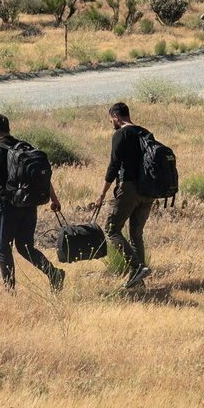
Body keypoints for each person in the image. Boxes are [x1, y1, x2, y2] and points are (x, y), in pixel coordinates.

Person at [0, 114, 65, 292]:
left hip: (8, 205)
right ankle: (54, 274)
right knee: (25, 246)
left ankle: (9, 291)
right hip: (29, 204)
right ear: (9, 129)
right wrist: (54, 199)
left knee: (3, 249)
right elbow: (42, 178)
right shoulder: (25, 147)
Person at [88, 101, 153, 290]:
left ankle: (137, 267)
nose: (112, 124)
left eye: (111, 120)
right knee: (136, 234)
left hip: (129, 188)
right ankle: (138, 279)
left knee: (111, 229)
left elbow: (113, 166)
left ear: (116, 117)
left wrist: (102, 194)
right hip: (148, 191)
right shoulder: (145, 133)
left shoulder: (120, 134)